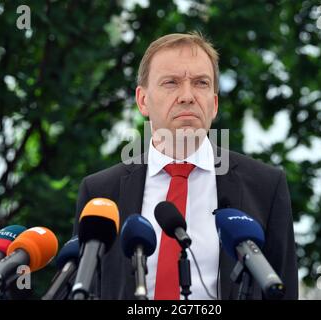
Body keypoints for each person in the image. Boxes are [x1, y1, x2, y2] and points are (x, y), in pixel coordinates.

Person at [72, 32, 298, 300]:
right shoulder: (100, 191)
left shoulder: (265, 186)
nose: (187, 96)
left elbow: (283, 291)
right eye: (171, 83)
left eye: (201, 83)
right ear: (143, 100)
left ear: (214, 104)